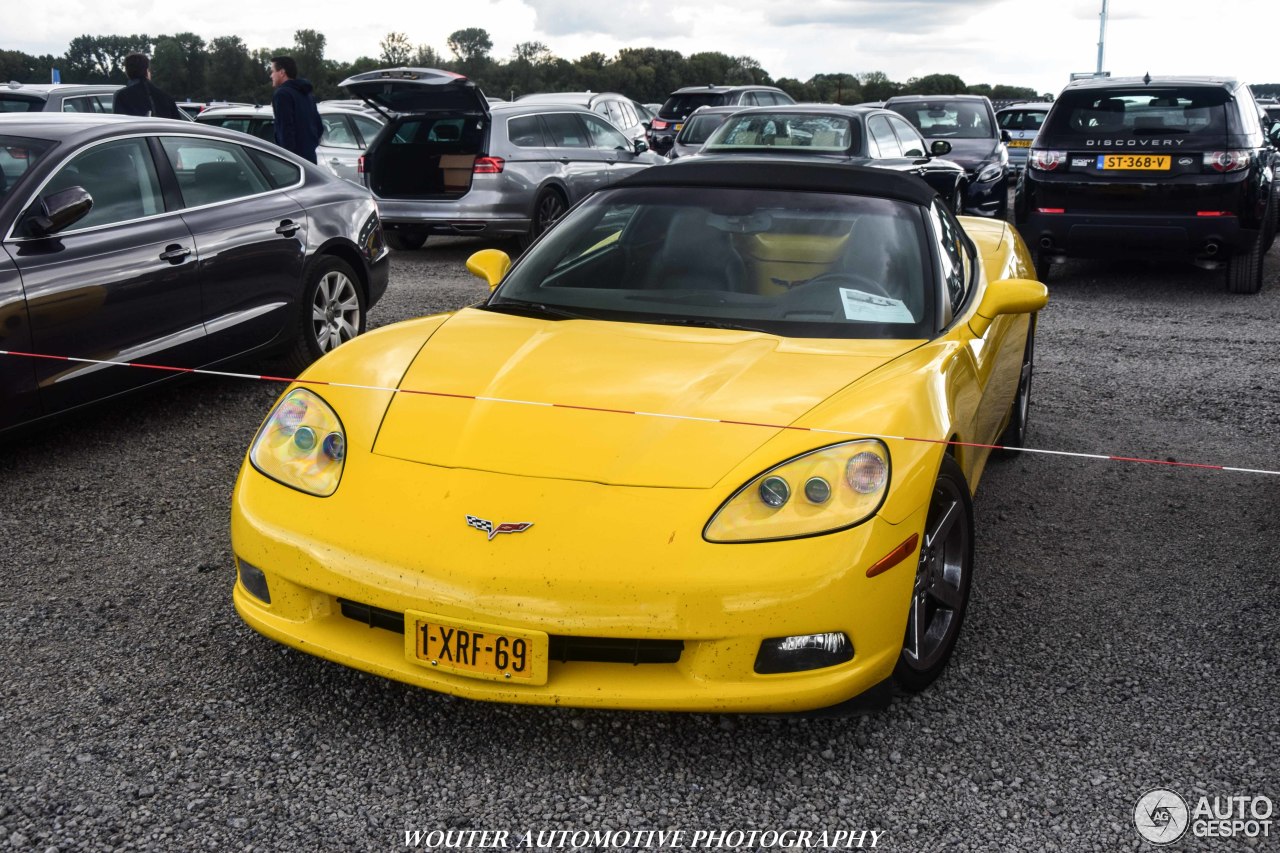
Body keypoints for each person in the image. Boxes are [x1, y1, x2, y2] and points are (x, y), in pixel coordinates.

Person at [269, 56, 323, 164]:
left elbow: (285, 130)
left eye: (272, 71)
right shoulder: (307, 94)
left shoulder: (282, 94)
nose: (271, 76)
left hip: (293, 162)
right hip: (310, 158)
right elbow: (319, 126)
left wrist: (288, 160)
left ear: (282, 72)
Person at [112, 53, 182, 120]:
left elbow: (119, 125)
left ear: (127, 72)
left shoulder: (121, 96)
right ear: (146, 70)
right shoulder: (166, 96)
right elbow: (178, 124)